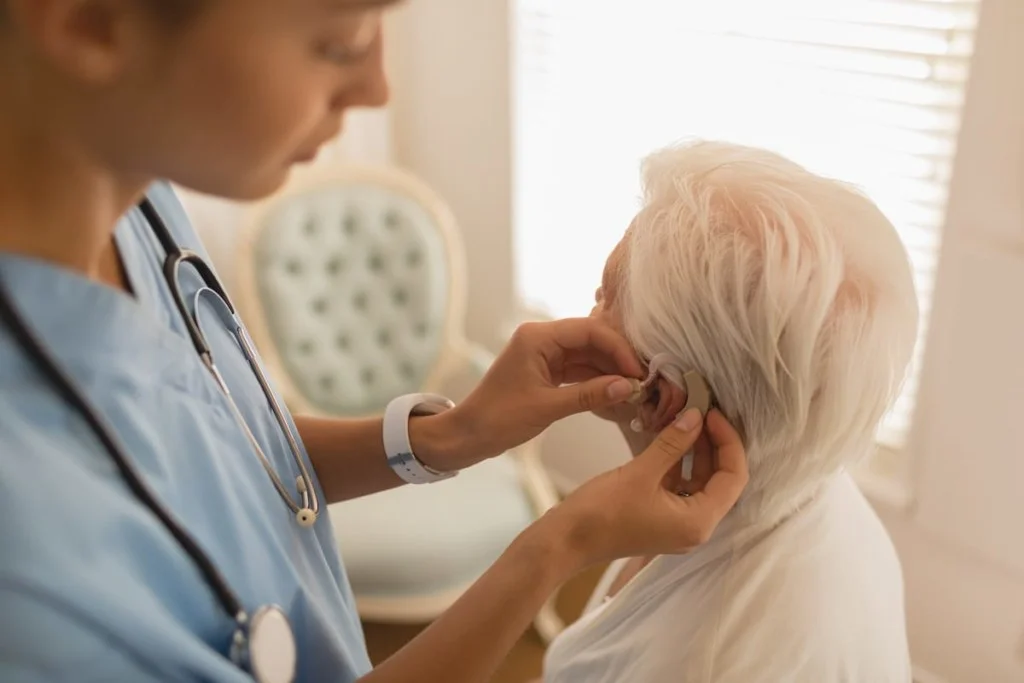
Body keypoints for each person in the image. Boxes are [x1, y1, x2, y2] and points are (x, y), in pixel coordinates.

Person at [0, 2, 749, 683]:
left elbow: (214, 449)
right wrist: (560, 544)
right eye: (342, 40)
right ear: (88, 19)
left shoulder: (135, 195)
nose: (378, 88)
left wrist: (450, 435)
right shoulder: (26, 563)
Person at [538, 141, 920, 682]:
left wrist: (560, 538)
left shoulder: (700, 663)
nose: (586, 313)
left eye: (604, 297)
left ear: (663, 398)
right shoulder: (809, 477)